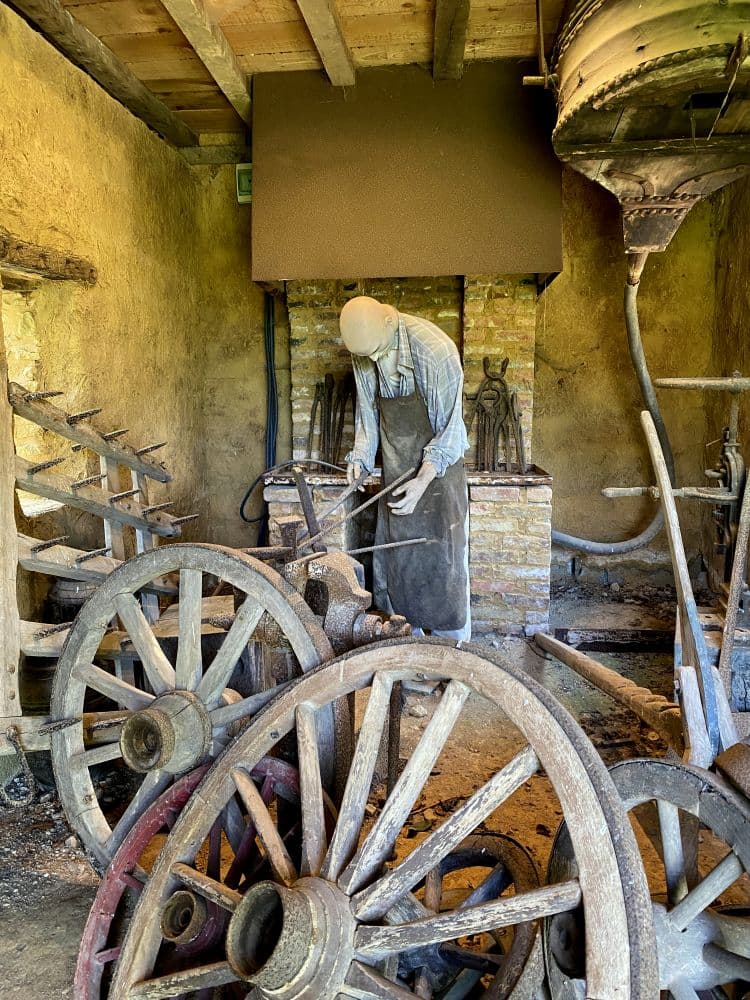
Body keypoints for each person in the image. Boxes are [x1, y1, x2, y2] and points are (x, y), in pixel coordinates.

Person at [340, 295, 471, 641]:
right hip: (397, 476)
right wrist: (360, 458)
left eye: (378, 353)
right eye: (367, 356)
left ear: (389, 322)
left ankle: (452, 653)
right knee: (396, 565)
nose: (373, 361)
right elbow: (368, 413)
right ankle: (406, 647)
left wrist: (422, 480)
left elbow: (451, 431)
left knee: (443, 569)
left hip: (438, 479)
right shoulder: (366, 346)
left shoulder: (435, 351)